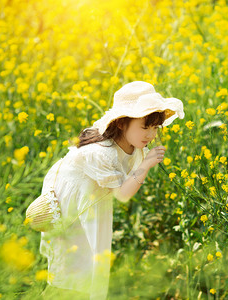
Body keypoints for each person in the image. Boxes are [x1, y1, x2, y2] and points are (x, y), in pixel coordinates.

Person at [39, 81, 184, 299]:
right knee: (75, 257)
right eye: (145, 126)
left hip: (93, 195)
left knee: (92, 257)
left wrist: (143, 164)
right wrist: (145, 166)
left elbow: (125, 187)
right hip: (72, 194)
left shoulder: (134, 147)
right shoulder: (102, 153)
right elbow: (122, 194)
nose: (151, 135)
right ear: (121, 123)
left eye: (155, 128)